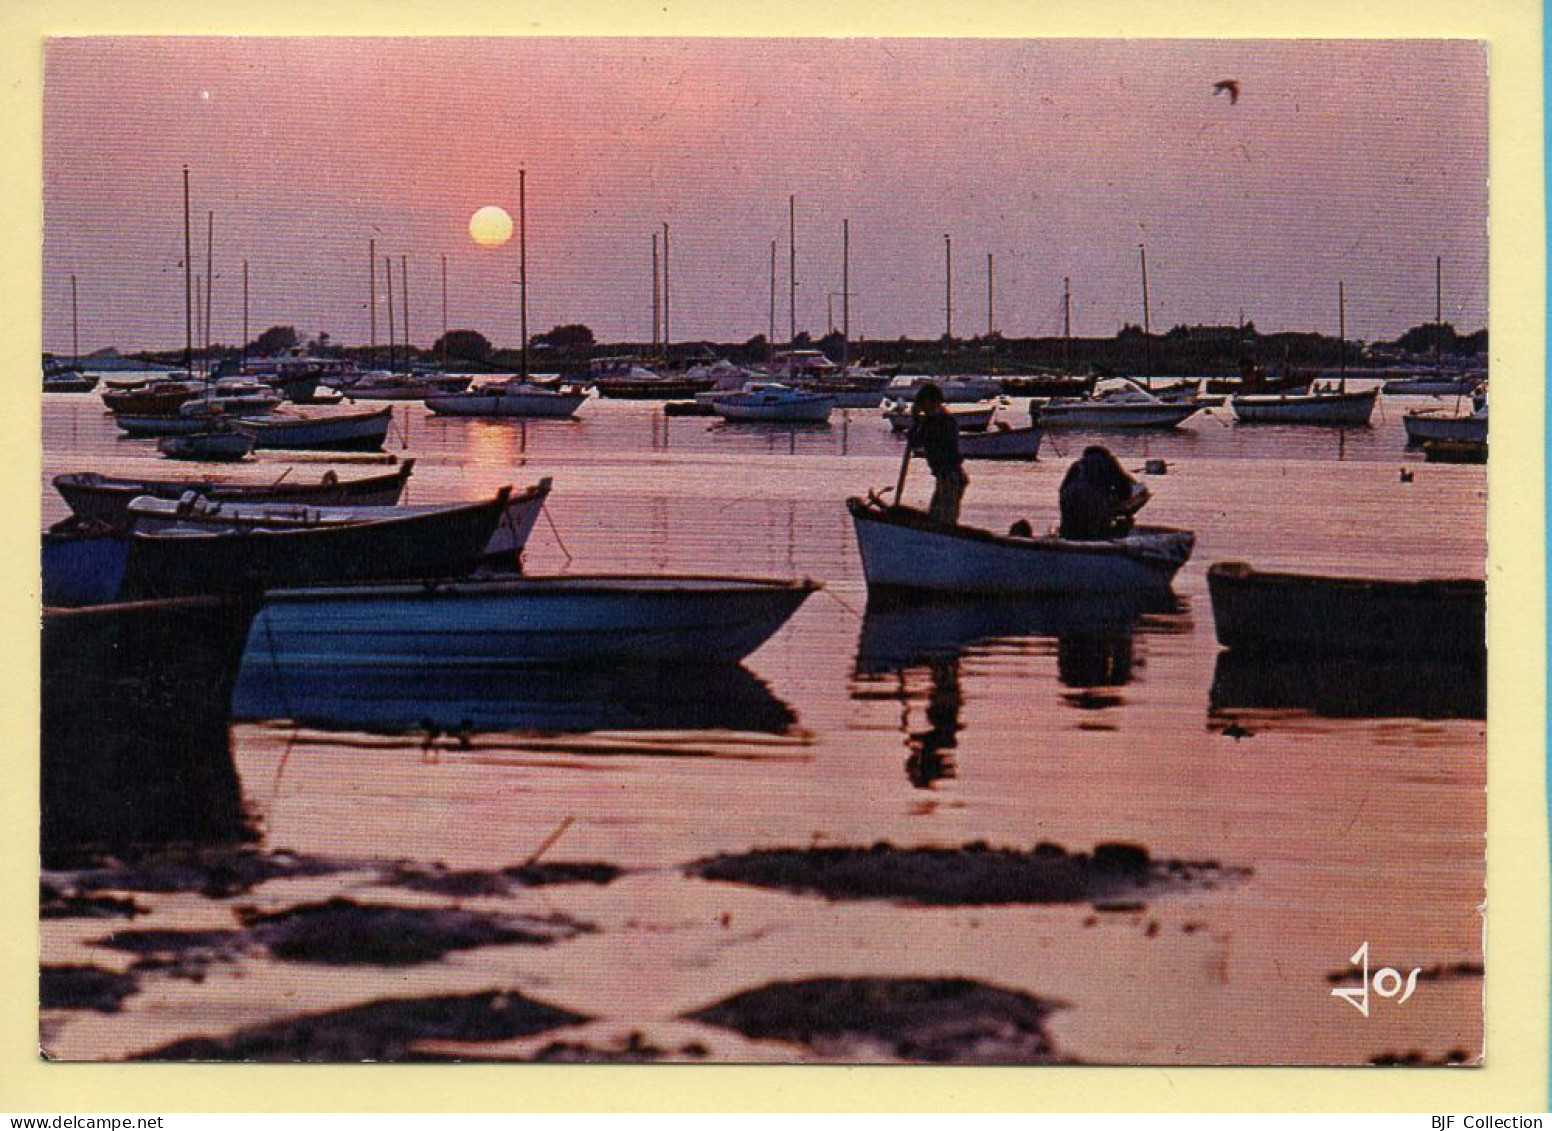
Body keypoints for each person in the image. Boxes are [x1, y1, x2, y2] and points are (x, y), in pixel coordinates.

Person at [907, 382, 968, 525]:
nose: (922, 407)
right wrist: (916, 422)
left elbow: (927, 438)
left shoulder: (945, 421)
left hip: (951, 477)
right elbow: (914, 442)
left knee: (944, 520)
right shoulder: (929, 421)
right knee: (935, 518)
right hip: (943, 476)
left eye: (924, 403)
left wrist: (921, 423)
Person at [1059, 445, 1139, 540]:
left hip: (1069, 496)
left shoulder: (1077, 465)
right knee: (1096, 530)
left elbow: (1062, 489)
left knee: (1071, 529)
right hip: (1094, 498)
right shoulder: (1109, 461)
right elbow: (1124, 489)